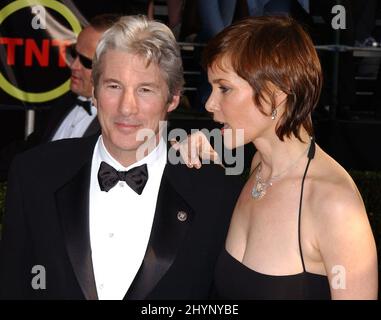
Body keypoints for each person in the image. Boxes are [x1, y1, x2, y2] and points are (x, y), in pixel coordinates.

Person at [0, 15, 243, 300]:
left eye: (145, 90)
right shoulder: (34, 174)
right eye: (113, 86)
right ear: (95, 91)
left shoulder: (215, 191)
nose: (127, 108)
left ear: (173, 98)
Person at [173, 16, 378, 299]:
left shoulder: (334, 205)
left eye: (225, 88)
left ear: (276, 94)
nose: (209, 103)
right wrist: (212, 172)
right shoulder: (259, 166)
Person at [0, 14, 119, 182]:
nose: (73, 65)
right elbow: (27, 152)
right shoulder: (65, 102)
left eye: (86, 62)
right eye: (73, 54)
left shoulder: (122, 125)